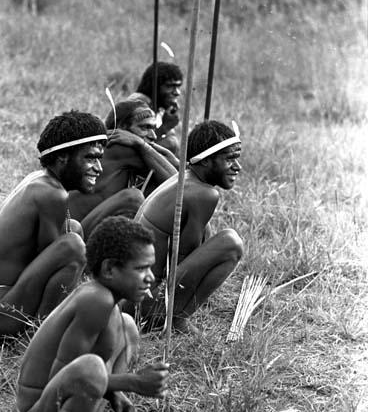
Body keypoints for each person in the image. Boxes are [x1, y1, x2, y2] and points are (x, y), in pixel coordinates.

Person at [12, 216, 169, 412]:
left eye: (151, 267)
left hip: (54, 404)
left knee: (128, 328)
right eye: (141, 268)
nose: (151, 277)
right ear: (109, 268)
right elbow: (64, 377)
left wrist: (115, 392)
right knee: (93, 368)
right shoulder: (95, 300)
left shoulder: (110, 303)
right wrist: (133, 383)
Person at [0, 111, 107, 338]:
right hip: (4, 315)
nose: (99, 168)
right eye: (90, 158)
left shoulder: (40, 180)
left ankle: (47, 325)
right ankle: (44, 334)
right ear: (62, 158)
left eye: (99, 159)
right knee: (73, 246)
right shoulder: (52, 193)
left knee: (73, 228)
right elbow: (57, 258)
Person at [134, 120, 243, 334]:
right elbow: (183, 260)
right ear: (204, 161)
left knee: (211, 234)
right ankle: (175, 320)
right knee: (231, 243)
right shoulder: (203, 194)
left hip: (131, 296)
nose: (238, 167)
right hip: (142, 304)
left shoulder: (185, 178)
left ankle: (170, 316)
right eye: (230, 159)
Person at [69, 98, 177, 238]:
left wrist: (164, 154)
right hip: (76, 233)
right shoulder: (119, 147)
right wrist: (142, 145)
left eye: (153, 129)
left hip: (82, 228)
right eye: (145, 128)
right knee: (132, 197)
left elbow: (178, 173)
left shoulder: (113, 145)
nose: (153, 136)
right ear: (122, 129)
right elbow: (179, 187)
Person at [128, 61, 183, 155]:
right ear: (154, 86)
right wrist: (165, 127)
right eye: (170, 86)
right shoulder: (138, 105)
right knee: (170, 142)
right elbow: (136, 148)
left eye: (178, 86)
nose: (177, 92)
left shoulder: (157, 108)